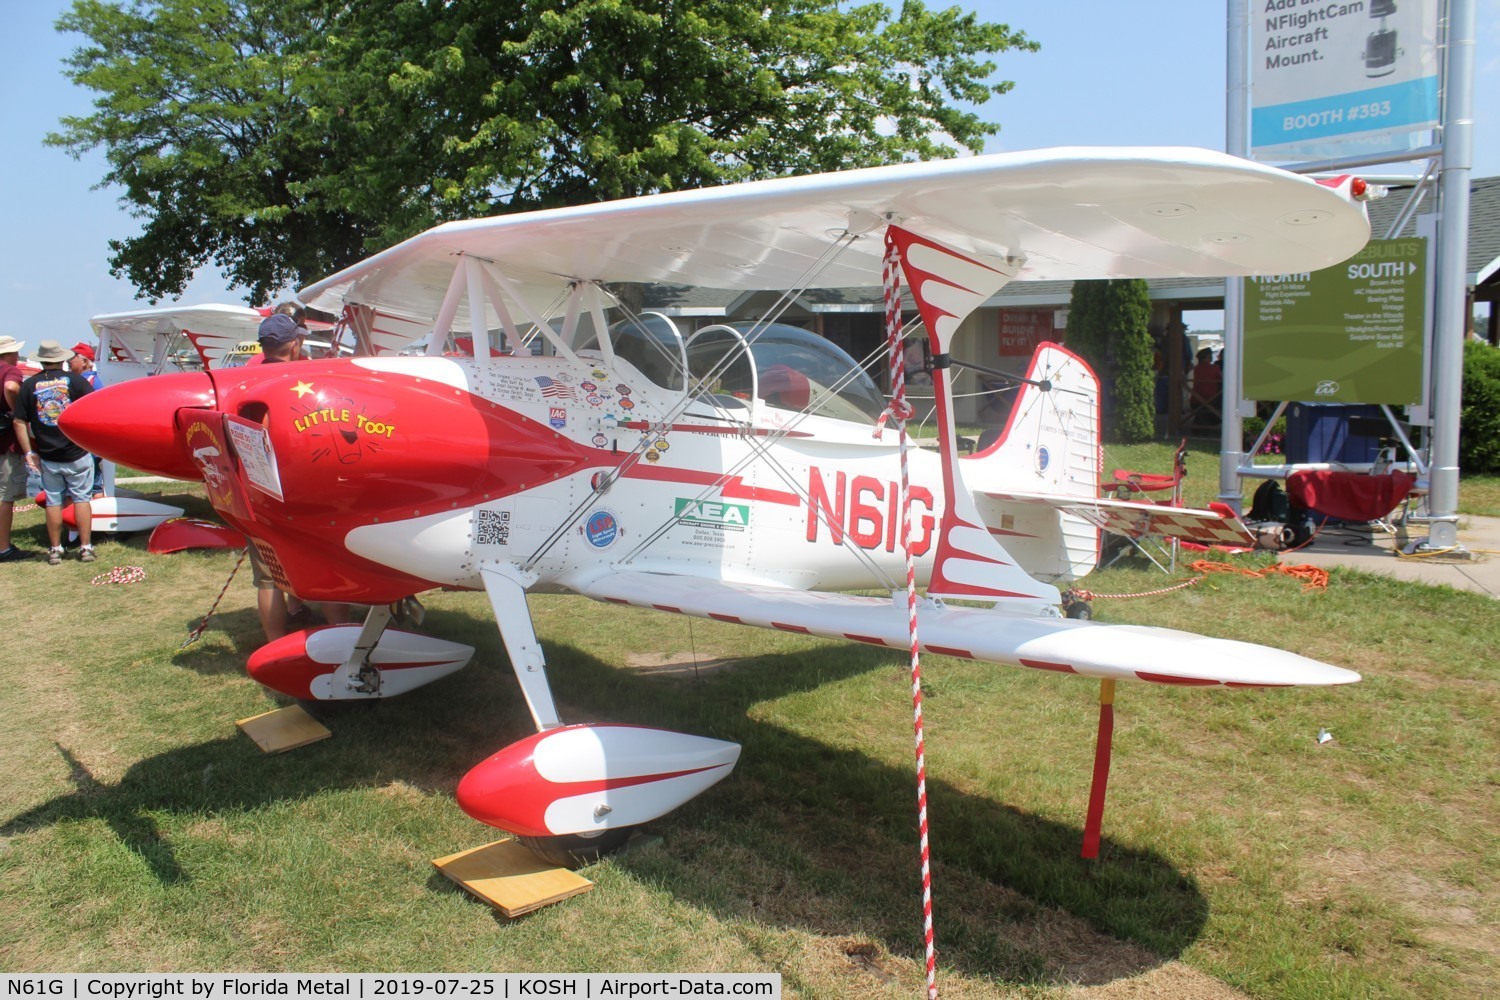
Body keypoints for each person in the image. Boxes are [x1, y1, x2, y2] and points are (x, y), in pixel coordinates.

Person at [246, 313, 349, 638]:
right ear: (293, 344)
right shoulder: (301, 380)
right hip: (299, 487)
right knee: (324, 564)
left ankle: (276, 640)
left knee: (268, 575)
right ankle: (340, 630)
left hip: (255, 488)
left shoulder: (245, 380)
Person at [11, 340, 96, 565]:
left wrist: (29, 452)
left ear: (42, 360)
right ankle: (86, 547)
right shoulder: (77, 382)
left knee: (53, 501)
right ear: (61, 359)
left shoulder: (30, 386)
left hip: (48, 454)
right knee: (82, 499)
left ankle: (55, 549)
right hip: (77, 451)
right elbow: (93, 411)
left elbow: (19, 421)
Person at [0, 336, 32, 561]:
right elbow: (11, 387)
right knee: (5, 496)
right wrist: (17, 411)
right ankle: (3, 548)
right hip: (5, 441)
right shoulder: (10, 371)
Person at [69, 342, 105, 495]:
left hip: (88, 443)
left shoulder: (86, 382)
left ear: (84, 362)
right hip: (89, 443)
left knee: (93, 482)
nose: (69, 361)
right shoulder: (89, 380)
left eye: (73, 357)